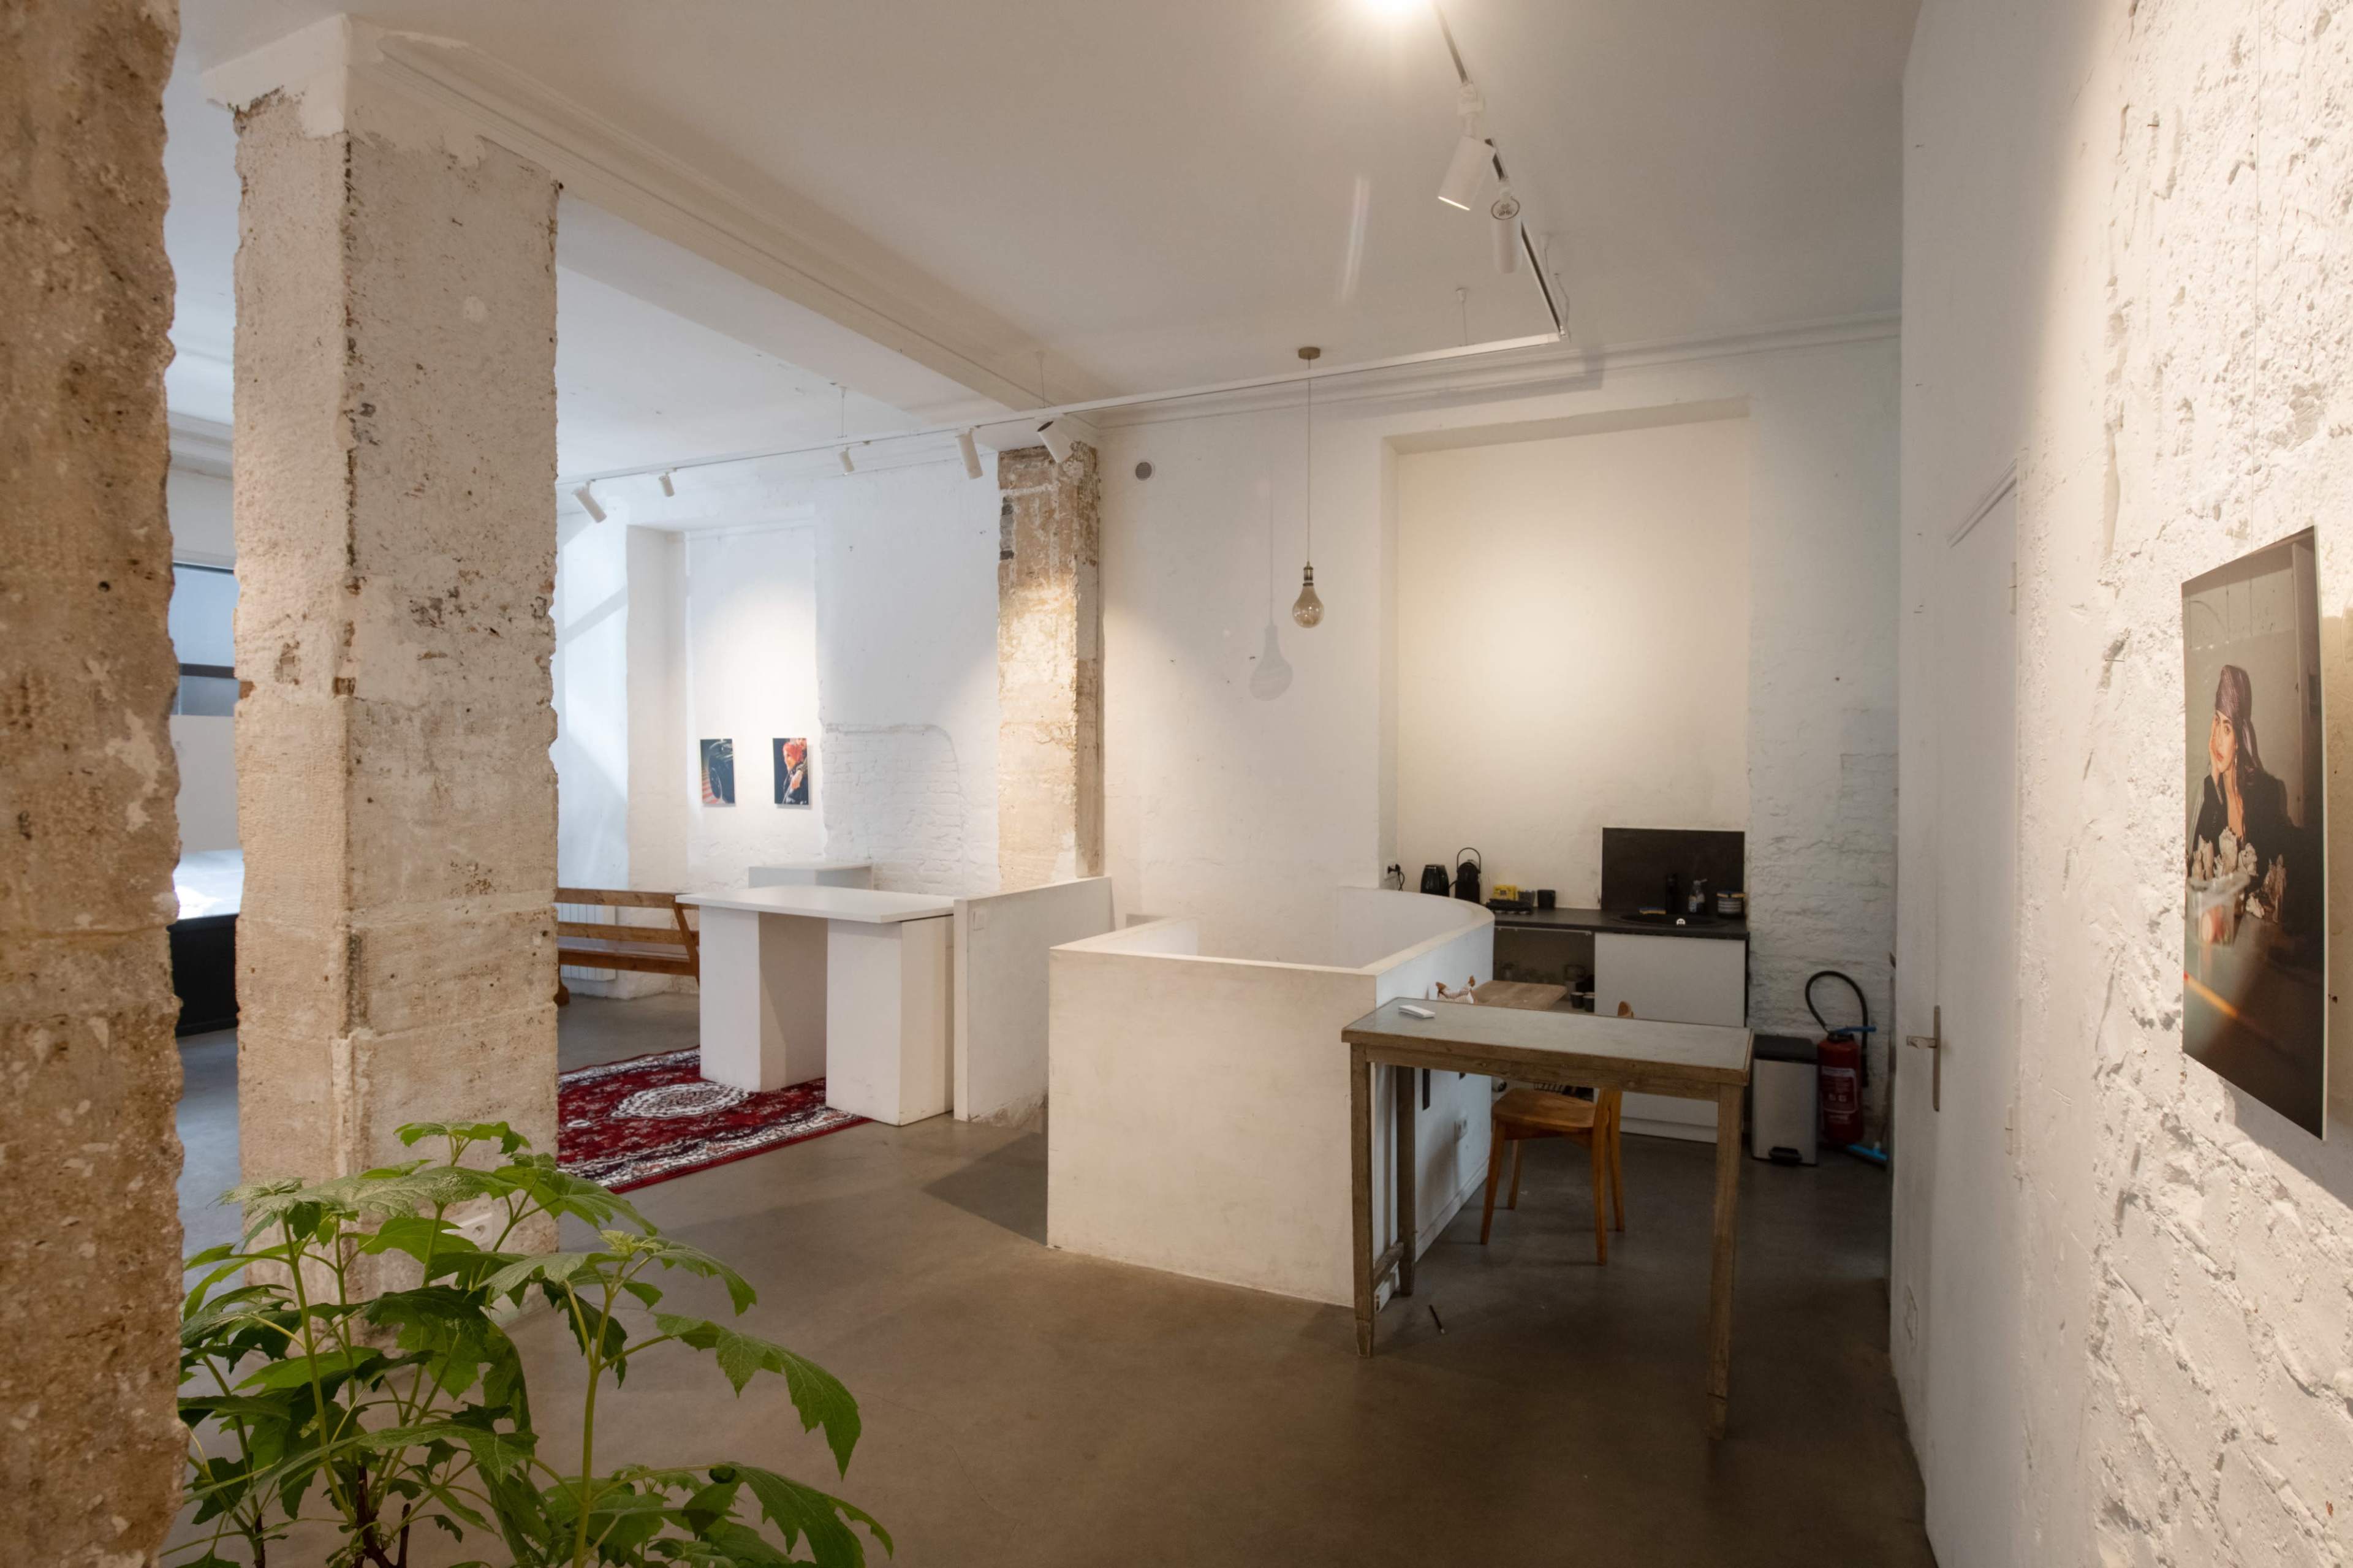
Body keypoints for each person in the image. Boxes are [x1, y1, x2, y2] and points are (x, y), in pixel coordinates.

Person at [2189, 664, 2296, 934]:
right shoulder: (2211, 791)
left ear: (2239, 738)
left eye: (2227, 728)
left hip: (2258, 929)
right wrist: (2213, 777)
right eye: (2216, 723)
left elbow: (2266, 879)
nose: (2217, 740)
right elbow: (2200, 867)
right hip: (2223, 928)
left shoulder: (2266, 791)